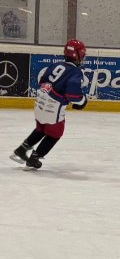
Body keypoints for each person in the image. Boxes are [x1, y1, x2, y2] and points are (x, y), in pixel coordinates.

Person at [10, 39, 87, 170]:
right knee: (55, 133)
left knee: (41, 128)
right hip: (53, 107)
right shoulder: (75, 72)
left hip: (40, 102)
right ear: (77, 55)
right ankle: (34, 158)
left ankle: (21, 150)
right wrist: (82, 101)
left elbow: (42, 82)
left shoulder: (56, 64)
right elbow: (73, 95)